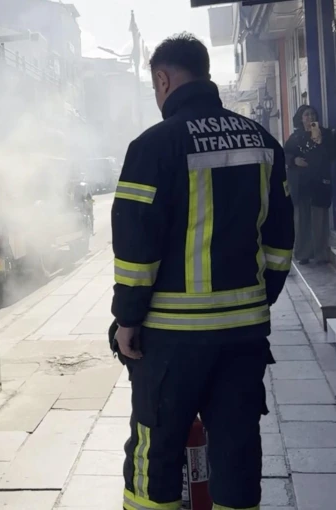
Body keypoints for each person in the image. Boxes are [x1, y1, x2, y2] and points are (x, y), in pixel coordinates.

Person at [111, 33, 294, 510]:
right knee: (237, 452)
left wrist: (127, 319)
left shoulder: (154, 146)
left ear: (163, 79)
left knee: (157, 456)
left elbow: (136, 251)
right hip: (244, 335)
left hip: (172, 340)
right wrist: (257, 298)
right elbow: (280, 243)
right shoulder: (262, 140)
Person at [284, 104, 335, 265]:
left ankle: (321, 253)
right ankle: (303, 254)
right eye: (307, 115)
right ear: (301, 118)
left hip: (319, 183)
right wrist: (294, 160)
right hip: (301, 185)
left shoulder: (326, 134)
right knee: (302, 221)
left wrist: (321, 141)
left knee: (320, 220)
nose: (310, 117)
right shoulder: (295, 137)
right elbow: (284, 155)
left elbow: (332, 154)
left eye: (313, 114)